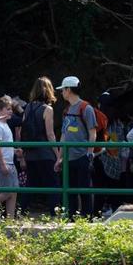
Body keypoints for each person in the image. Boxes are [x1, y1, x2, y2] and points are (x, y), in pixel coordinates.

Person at [55, 76, 96, 218]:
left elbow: (92, 133)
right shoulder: (67, 110)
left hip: (82, 156)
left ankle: (87, 218)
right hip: (68, 157)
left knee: (84, 190)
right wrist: (59, 158)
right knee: (69, 191)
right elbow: (64, 135)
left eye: (63, 90)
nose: (61, 93)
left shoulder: (86, 108)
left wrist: (89, 154)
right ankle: (70, 218)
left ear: (69, 90)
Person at [19, 77, 60, 214]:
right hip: (45, 154)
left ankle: (20, 211)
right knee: (53, 184)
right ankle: (55, 214)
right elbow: (50, 135)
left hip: (30, 154)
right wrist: (58, 154)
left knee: (30, 185)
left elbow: (23, 130)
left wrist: (23, 154)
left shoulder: (28, 108)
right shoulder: (47, 109)